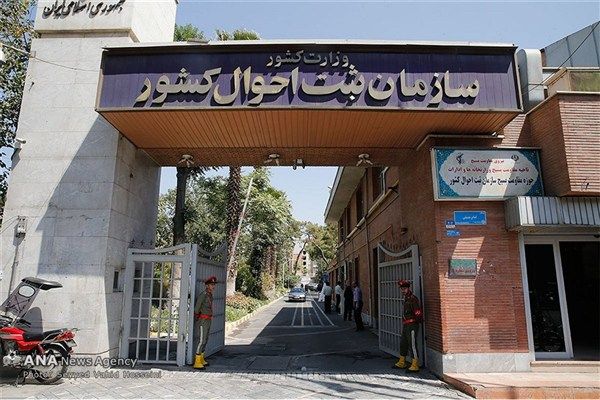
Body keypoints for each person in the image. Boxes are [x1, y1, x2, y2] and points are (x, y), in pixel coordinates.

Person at [393, 280, 423, 372]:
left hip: (412, 325)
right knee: (403, 343)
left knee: (412, 344)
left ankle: (415, 364)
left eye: (404, 289)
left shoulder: (413, 299)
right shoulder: (406, 298)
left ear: (408, 288)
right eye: (402, 289)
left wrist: (417, 321)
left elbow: (417, 312)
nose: (403, 290)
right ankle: (402, 362)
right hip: (406, 324)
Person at [193, 276, 217, 369]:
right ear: (207, 285)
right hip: (203, 320)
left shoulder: (210, 295)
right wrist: (199, 318)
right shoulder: (203, 295)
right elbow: (196, 309)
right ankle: (197, 362)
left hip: (208, 320)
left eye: (214, 284)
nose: (213, 286)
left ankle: (201, 359)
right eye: (211, 284)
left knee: (206, 339)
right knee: (202, 340)